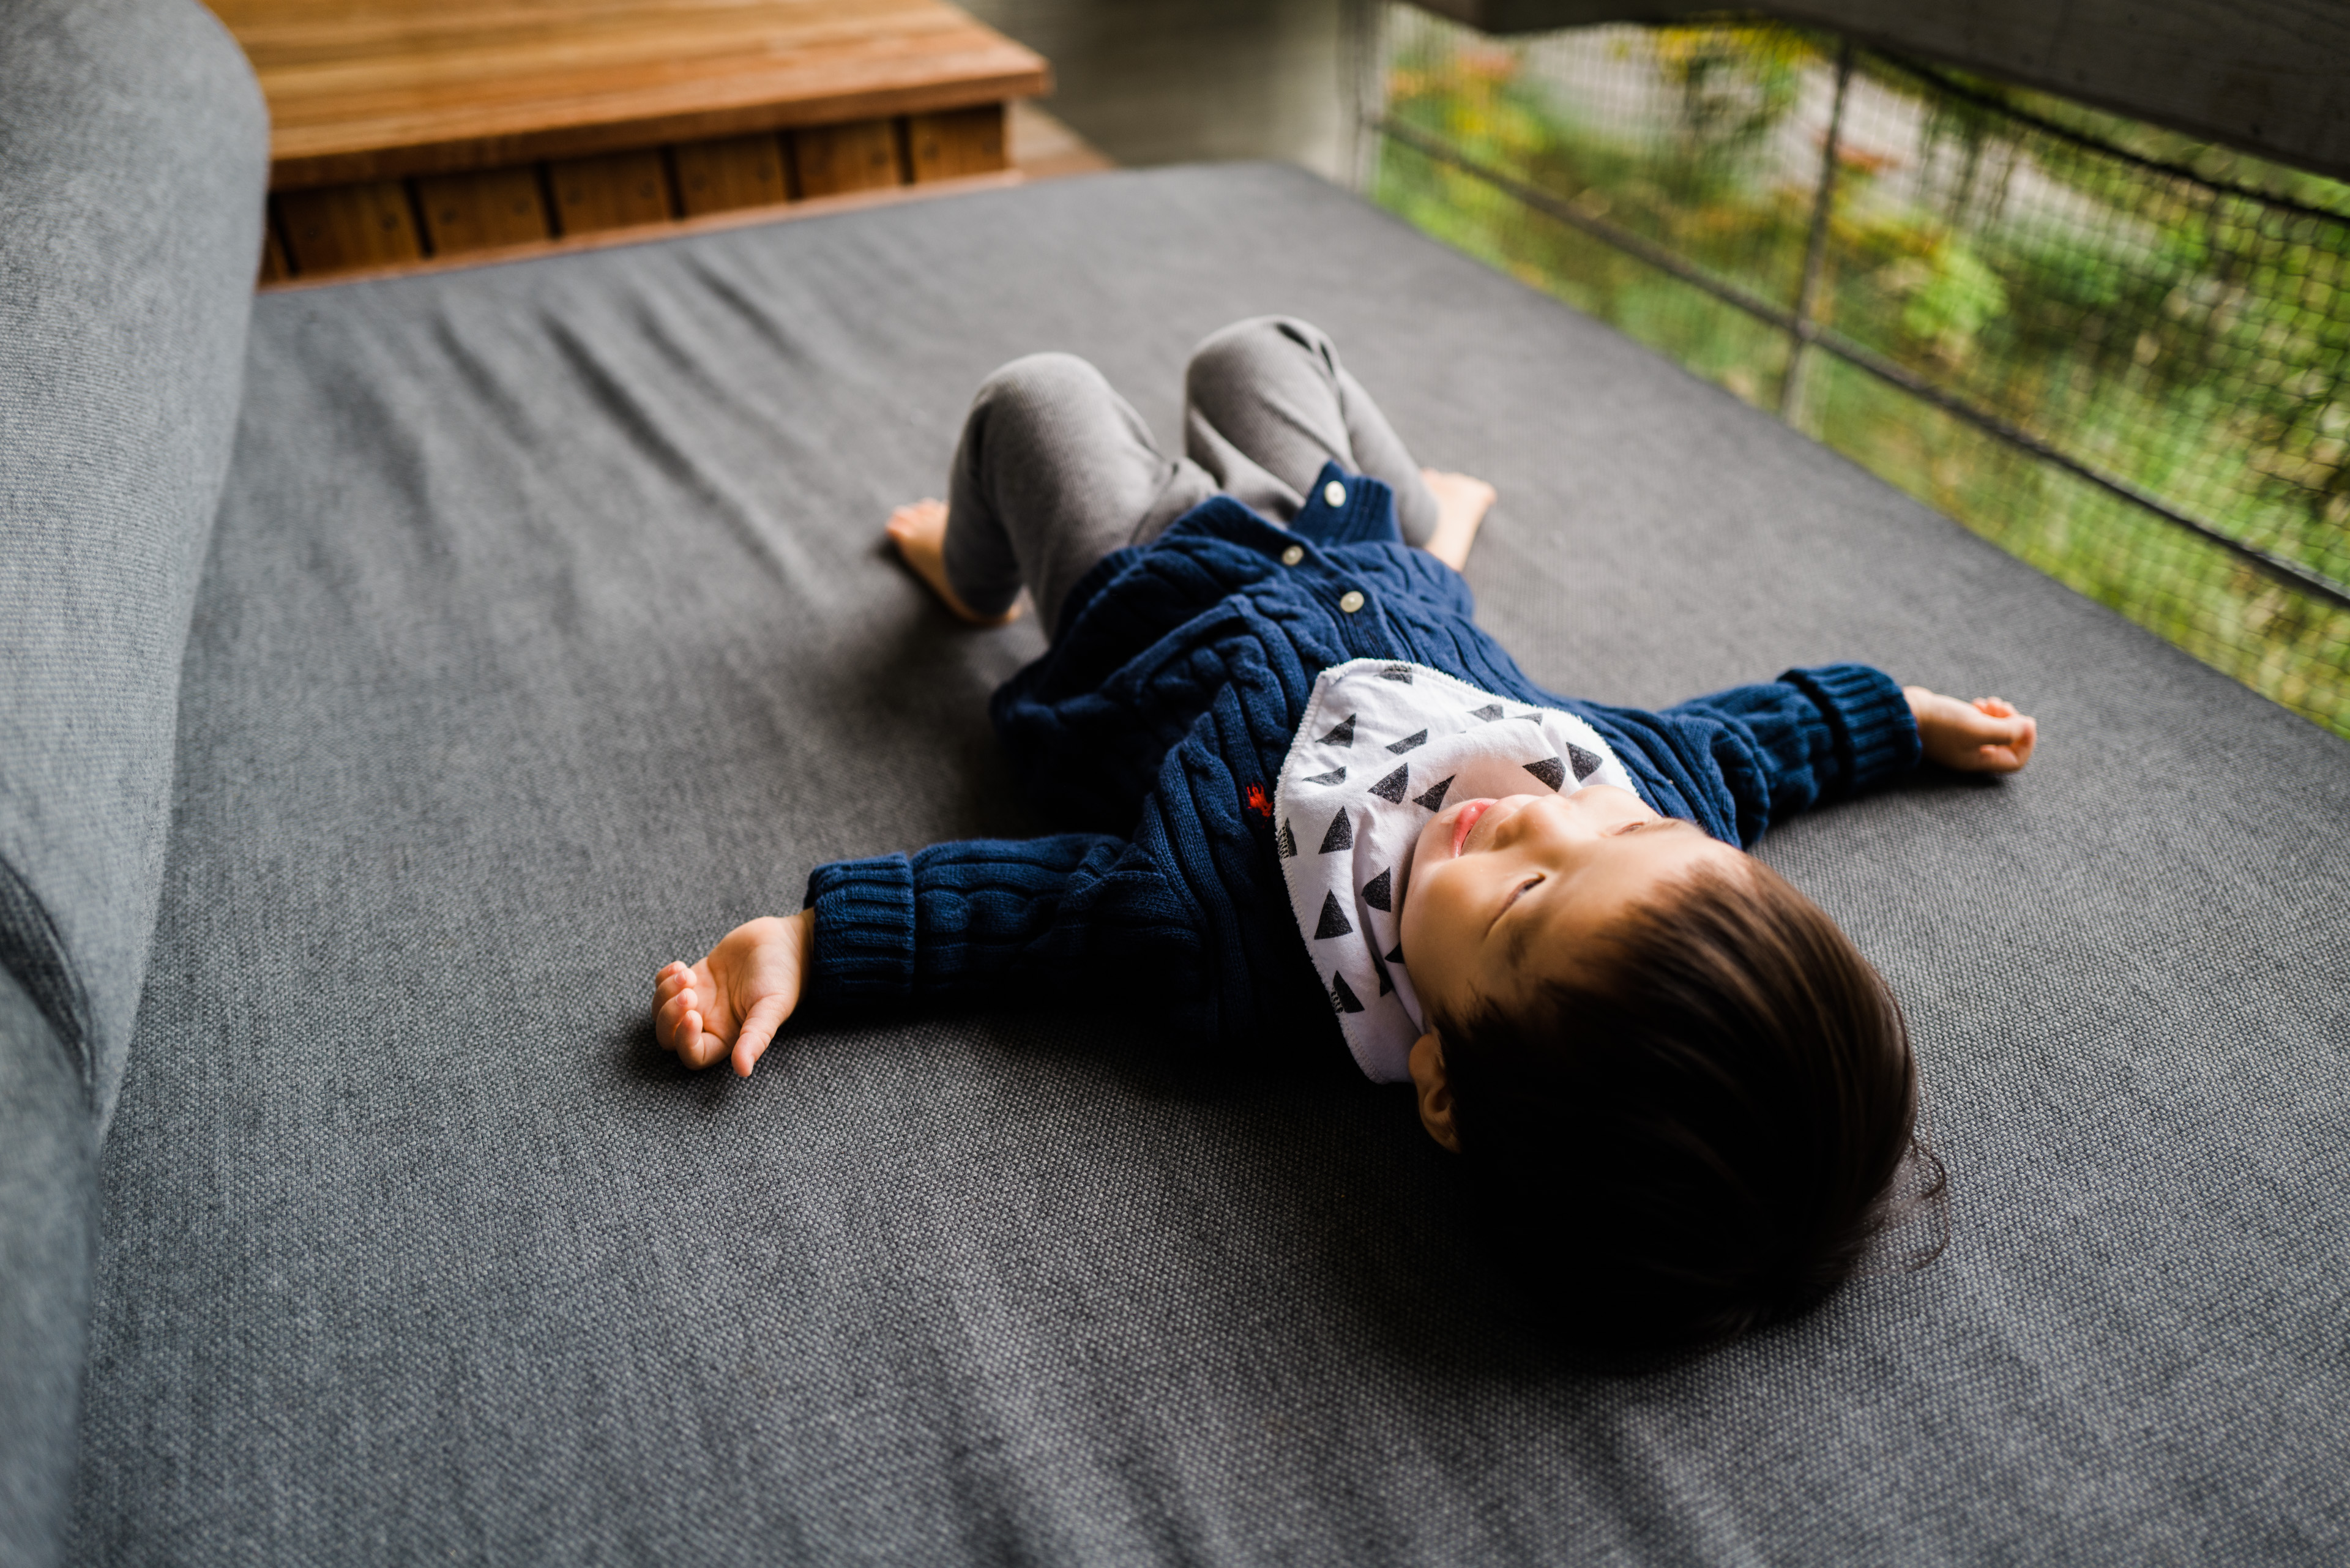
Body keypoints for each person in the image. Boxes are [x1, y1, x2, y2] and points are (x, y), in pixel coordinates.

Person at [650, 318, 2035, 1348]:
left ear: (1441, 1081)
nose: (1531, 818)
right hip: (1357, 550)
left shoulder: (1231, 937)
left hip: (1149, 586)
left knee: (1037, 398)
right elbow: (1752, 744)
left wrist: (814, 945)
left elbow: (1031, 911)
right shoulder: (1654, 799)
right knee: (1261, 349)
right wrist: (1894, 716)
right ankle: (1435, 526)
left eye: (1517, 904)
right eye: (1614, 833)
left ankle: (963, 570)